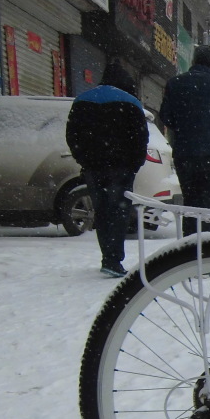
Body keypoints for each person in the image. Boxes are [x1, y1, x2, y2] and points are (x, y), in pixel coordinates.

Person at [65, 61, 149, 278]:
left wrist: (83, 158)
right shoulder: (130, 102)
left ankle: (107, 257)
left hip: (93, 167)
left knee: (101, 211)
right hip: (121, 168)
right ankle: (113, 260)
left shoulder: (82, 100)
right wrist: (135, 163)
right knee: (119, 212)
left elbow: (72, 134)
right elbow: (140, 137)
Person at [159, 45, 210, 234]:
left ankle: (190, 247)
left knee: (190, 202)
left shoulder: (175, 84)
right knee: (208, 204)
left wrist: (183, 130)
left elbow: (166, 116)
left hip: (185, 153)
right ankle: (206, 246)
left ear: (193, 62)